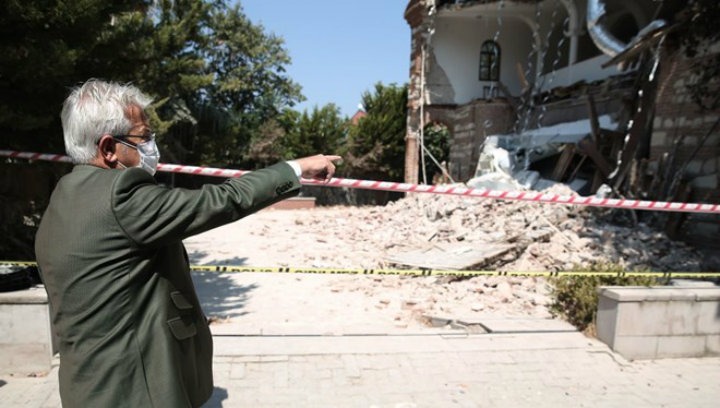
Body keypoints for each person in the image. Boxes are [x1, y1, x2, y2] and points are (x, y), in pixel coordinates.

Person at [34, 79, 340, 407]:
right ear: (109, 148)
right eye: (143, 137)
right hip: (135, 390)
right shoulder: (121, 196)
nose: (151, 146)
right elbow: (222, 200)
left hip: (85, 388)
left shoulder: (63, 198)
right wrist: (296, 168)